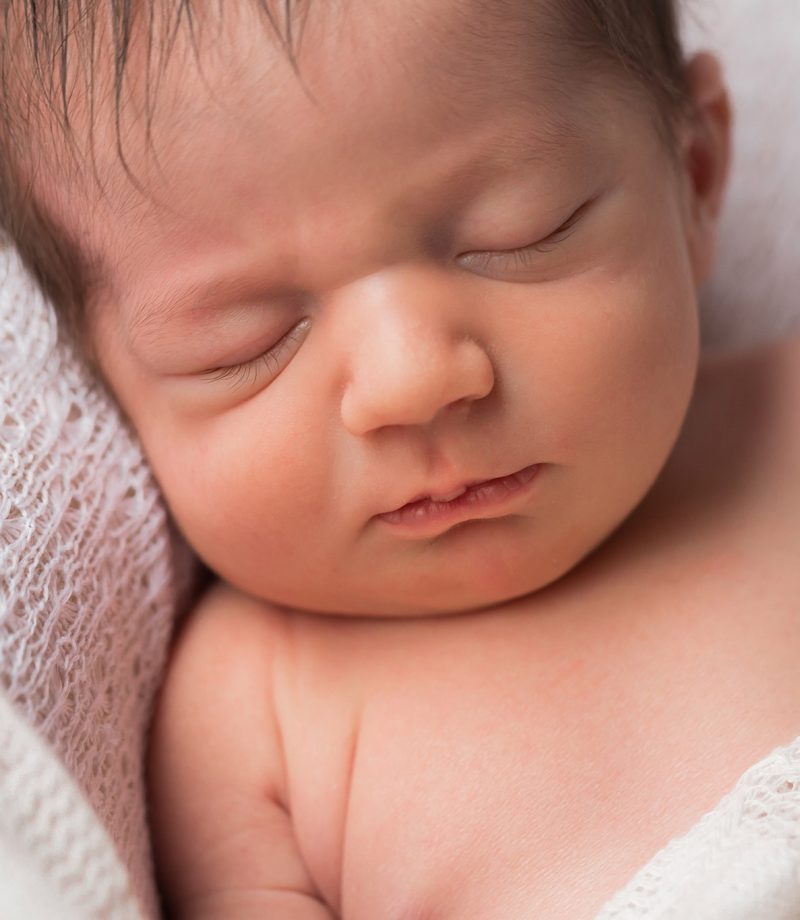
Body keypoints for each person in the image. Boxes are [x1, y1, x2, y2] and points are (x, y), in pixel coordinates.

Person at [1, 1, 799, 917]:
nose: (410, 382)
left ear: (695, 176)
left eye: (521, 234)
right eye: (246, 343)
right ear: (106, 382)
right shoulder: (250, 712)